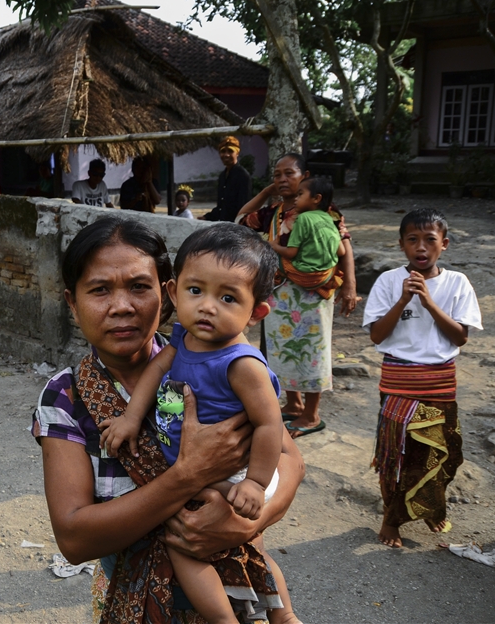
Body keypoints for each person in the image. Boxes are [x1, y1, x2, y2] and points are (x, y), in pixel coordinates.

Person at [33, 216, 305, 623]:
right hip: (135, 602)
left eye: (139, 287)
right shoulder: (67, 397)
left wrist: (246, 524)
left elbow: (291, 460)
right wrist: (189, 475)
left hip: (239, 588)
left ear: (166, 294)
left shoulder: (218, 364)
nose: (122, 306)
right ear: (73, 303)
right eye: (99, 290)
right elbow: (74, 538)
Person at [363, 208, 481, 549]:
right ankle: (391, 519)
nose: (421, 247)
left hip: (440, 381)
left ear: (444, 244)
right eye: (412, 239)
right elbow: (377, 336)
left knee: (443, 451)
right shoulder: (388, 281)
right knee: (396, 454)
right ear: (402, 245)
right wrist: (404, 298)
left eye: (430, 239)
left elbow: (459, 337)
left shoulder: (457, 282)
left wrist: (428, 302)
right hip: (399, 379)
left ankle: (430, 505)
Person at [237, 153, 361, 438]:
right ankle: (293, 404)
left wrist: (350, 285)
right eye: (276, 175)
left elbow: (345, 247)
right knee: (282, 349)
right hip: (279, 291)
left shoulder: (325, 211)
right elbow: (242, 218)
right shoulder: (273, 211)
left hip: (314, 290)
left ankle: (312, 414)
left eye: (289, 173)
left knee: (313, 349)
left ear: (304, 177)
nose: (282, 179)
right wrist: (267, 192)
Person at [268, 177, 345, 298]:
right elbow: (342, 251)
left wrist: (275, 246)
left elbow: (291, 253)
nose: (295, 199)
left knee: (272, 258)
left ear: (316, 198)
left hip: (306, 275)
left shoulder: (303, 218)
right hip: (325, 276)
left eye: (300, 194)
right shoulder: (329, 218)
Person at [203, 137, 251, 222]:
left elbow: (243, 207)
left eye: (230, 151)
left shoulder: (242, 176)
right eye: (223, 151)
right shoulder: (222, 176)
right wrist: (207, 217)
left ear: (237, 153)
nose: (226, 155)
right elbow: (221, 206)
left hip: (235, 225)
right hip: (223, 224)